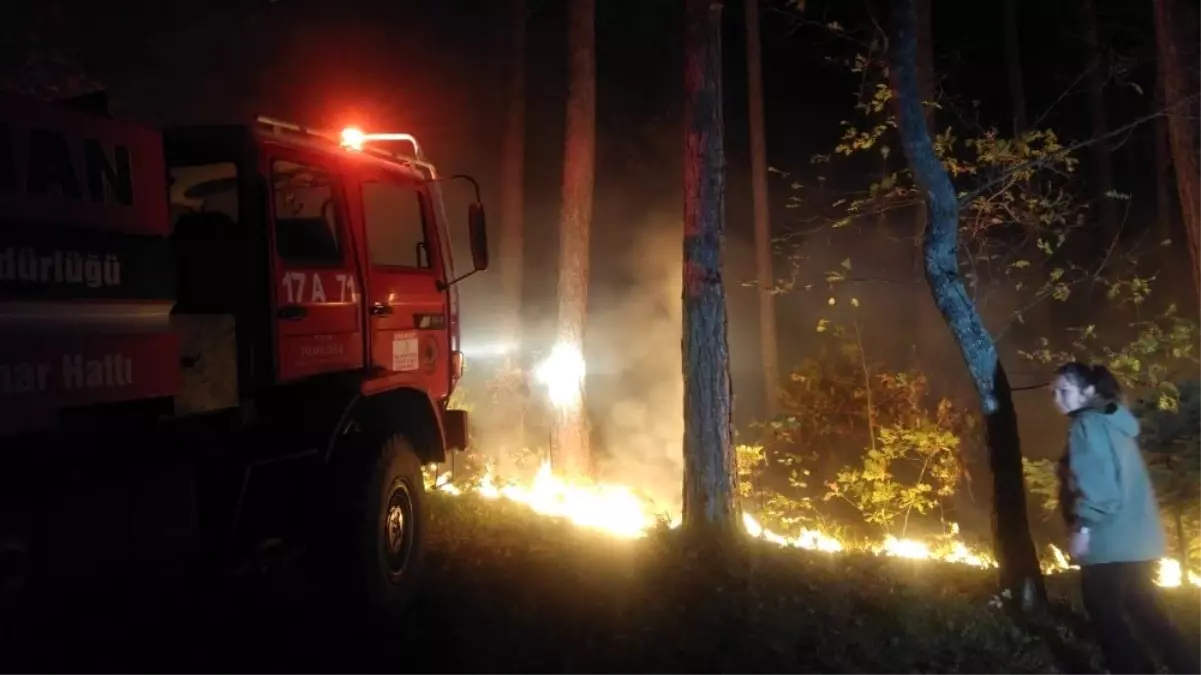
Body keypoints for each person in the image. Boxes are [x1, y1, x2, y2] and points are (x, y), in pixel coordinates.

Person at [1051, 362, 1200, 675]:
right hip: (1138, 542)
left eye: (1064, 391)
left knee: (1107, 619)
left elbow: (1101, 489)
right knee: (1148, 614)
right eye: (1054, 392)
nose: (1057, 399)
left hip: (1109, 544)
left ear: (1088, 391)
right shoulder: (1114, 424)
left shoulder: (1086, 426)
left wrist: (1084, 527)